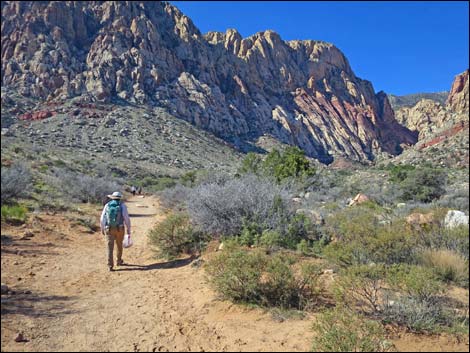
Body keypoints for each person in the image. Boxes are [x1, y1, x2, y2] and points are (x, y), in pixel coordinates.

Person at [100, 191, 131, 271]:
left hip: (109, 228)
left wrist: (102, 228)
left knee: (109, 247)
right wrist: (128, 229)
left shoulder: (107, 205)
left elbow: (102, 218)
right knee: (119, 245)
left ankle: (110, 265)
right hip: (120, 228)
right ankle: (119, 261)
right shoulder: (122, 205)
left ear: (112, 197)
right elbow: (126, 218)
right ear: (120, 198)